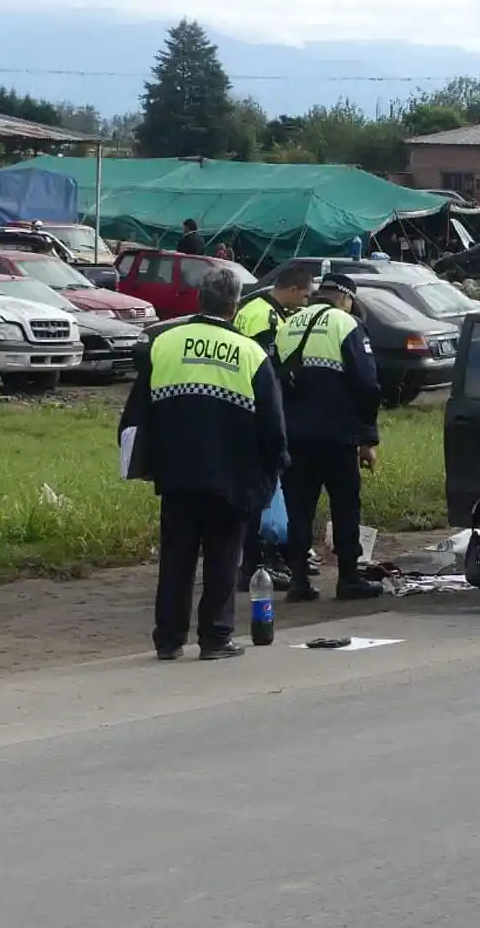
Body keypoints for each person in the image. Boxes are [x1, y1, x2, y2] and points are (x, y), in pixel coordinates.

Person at [118, 267, 288, 661]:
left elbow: (135, 414)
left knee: (176, 559)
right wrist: (275, 467)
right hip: (232, 475)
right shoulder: (250, 353)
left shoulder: (163, 343)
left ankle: (169, 639)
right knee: (223, 559)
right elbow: (272, 422)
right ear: (234, 304)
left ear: (199, 299)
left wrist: (143, 463)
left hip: (176, 474)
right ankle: (215, 638)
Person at [274, 273, 384, 601]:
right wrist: (368, 438)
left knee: (299, 508)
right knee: (345, 506)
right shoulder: (346, 324)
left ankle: (299, 582)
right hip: (337, 436)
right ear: (347, 298)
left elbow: (275, 381)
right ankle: (349, 579)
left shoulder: (289, 324)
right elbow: (367, 383)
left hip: (295, 436)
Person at [232, 265, 315, 591]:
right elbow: (268, 370)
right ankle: (257, 563)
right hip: (256, 411)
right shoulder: (265, 317)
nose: (306, 303)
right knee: (263, 492)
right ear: (293, 289)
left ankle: (257, 559)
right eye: (305, 295)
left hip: (240, 408)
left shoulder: (253, 308)